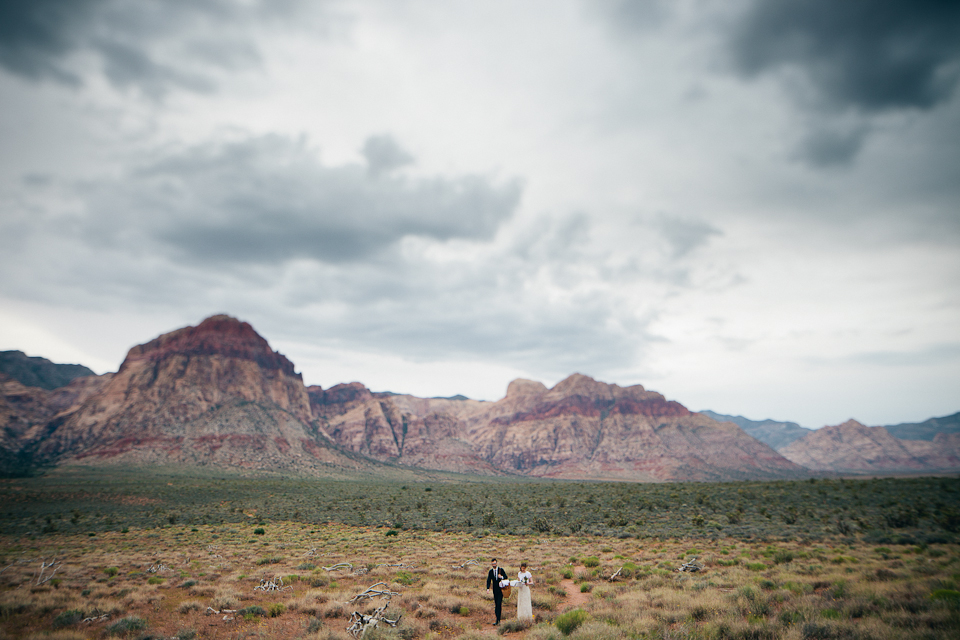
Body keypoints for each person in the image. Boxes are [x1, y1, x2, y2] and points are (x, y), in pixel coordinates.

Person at [486, 557, 508, 625]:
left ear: (497, 563)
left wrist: (501, 577)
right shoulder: (491, 572)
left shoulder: (501, 570)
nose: (494, 565)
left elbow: (506, 577)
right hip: (495, 590)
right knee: (496, 604)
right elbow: (489, 580)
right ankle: (497, 619)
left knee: (499, 604)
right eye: (492, 564)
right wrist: (488, 588)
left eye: (495, 563)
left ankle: (498, 620)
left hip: (501, 589)